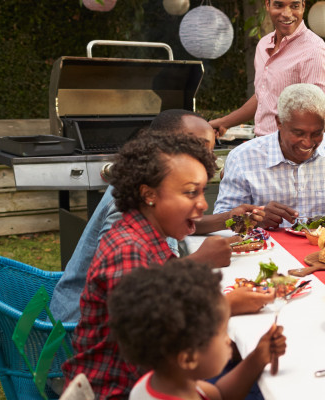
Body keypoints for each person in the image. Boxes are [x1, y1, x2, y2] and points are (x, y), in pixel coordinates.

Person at [62, 131, 253, 399]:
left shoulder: (148, 236)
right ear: (149, 195)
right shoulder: (128, 251)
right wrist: (226, 307)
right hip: (120, 389)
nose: (203, 203)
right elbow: (155, 342)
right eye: (190, 192)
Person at [51, 110, 269, 323]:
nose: (207, 158)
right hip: (77, 325)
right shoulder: (125, 216)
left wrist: (228, 219)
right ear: (165, 147)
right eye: (198, 147)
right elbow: (125, 302)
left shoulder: (152, 194)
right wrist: (199, 264)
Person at [108, 259, 286, 400]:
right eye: (223, 332)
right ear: (189, 358)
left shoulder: (166, 381)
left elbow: (220, 395)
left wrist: (257, 358)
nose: (228, 340)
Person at [214, 83, 325, 228]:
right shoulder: (243, 158)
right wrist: (254, 219)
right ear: (279, 122)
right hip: (266, 250)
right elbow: (222, 221)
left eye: (317, 133)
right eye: (298, 133)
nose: (307, 143)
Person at [209, 0, 325, 136]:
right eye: (279, 5)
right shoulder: (264, 45)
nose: (287, 14)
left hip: (289, 154)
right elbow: (264, 95)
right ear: (267, 5)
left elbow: (324, 121)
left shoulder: (315, 52)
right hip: (260, 146)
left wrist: (290, 154)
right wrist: (224, 123)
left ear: (303, 7)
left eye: (294, 6)